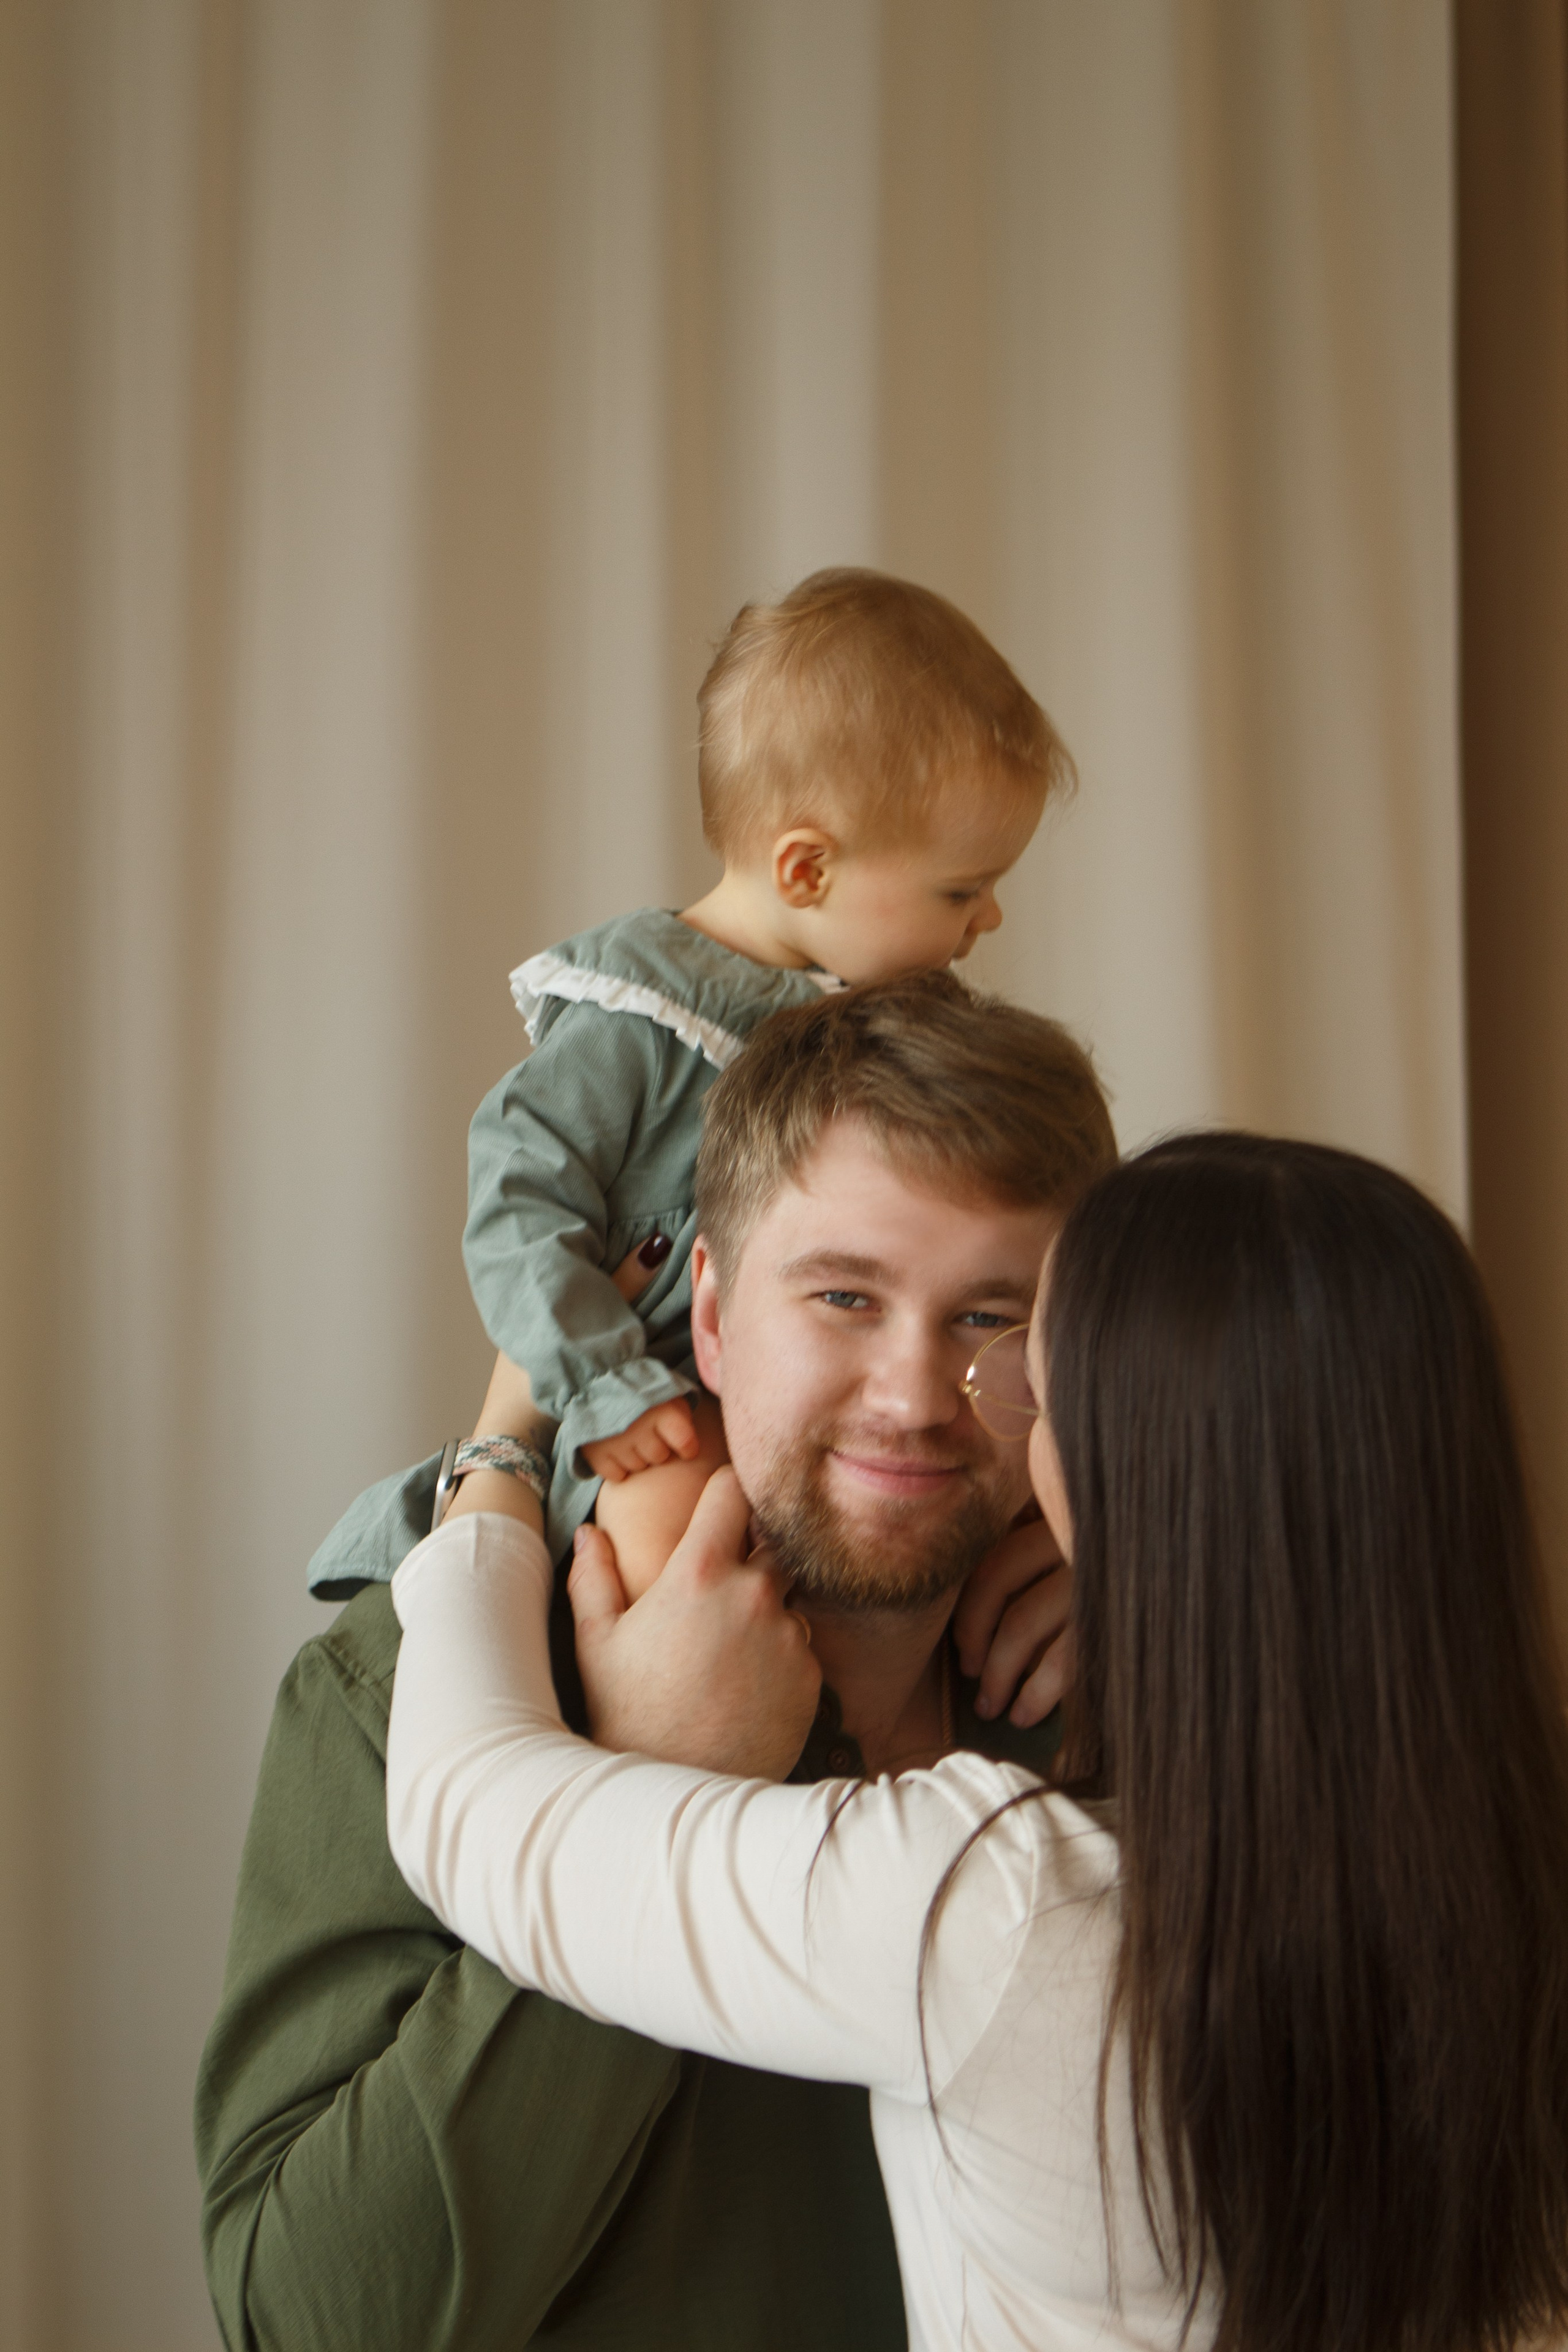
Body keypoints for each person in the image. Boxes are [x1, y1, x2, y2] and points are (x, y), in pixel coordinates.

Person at [386, 1133, 1568, 2352]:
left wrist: (498, 1456)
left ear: (1115, 1477)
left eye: (1026, 1383)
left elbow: (463, 1806)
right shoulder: (1517, 1881)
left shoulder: (997, 1912)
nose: (929, 1404)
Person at [195, 975, 1117, 2352]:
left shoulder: (1128, 1691)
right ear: (710, 1314)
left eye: (991, 1318)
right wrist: (648, 1788)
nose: (916, 1398)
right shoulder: (414, 1687)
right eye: (846, 1296)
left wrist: (1164, 1585)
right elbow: (310, 2324)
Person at [454, 567, 1072, 1561]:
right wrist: (603, 1383)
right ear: (806, 870)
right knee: (675, 1525)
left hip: (813, 1417)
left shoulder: (876, 1020)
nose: (988, 919)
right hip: (647, 1400)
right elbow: (517, 1211)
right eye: (963, 890)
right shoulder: (637, 1018)